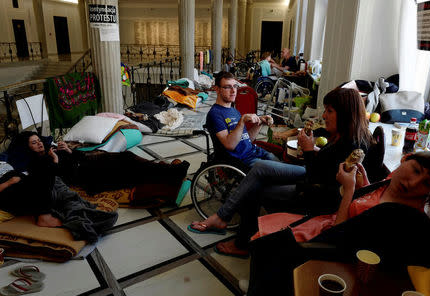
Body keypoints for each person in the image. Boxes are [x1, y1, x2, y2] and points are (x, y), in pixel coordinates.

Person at [190, 88, 373, 257]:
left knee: (254, 189)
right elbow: (326, 167)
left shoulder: (353, 145)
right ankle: (223, 217)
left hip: (315, 195)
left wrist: (309, 151)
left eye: (329, 111)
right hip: (311, 177)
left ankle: (240, 241)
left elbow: (319, 177)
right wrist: (313, 151)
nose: (324, 115)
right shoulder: (344, 135)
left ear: (346, 114)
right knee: (260, 168)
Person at [246, 151, 430, 296]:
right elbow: (372, 202)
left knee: (269, 247)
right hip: (326, 224)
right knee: (264, 241)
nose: (413, 182)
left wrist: (350, 190)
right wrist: (365, 186)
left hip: (331, 248)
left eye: (426, 183)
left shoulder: (401, 217)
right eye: (415, 170)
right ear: (405, 160)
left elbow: (339, 237)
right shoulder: (390, 181)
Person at [4, 131, 190, 197]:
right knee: (129, 167)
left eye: (38, 140)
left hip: (90, 164)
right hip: (86, 176)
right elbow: (56, 179)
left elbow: (81, 157)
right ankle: (170, 172)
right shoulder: (36, 163)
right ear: (28, 148)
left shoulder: (54, 150)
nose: (38, 144)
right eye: (34, 143)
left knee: (127, 158)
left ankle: (168, 170)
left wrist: (69, 151)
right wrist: (55, 160)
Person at [206, 71, 278, 167]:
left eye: (235, 86)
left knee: (283, 163)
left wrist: (260, 123)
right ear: (217, 89)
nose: (233, 90)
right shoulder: (215, 114)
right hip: (241, 160)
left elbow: (247, 139)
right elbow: (230, 145)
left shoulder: (234, 111)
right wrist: (242, 120)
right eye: (227, 87)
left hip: (254, 152)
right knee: (289, 173)